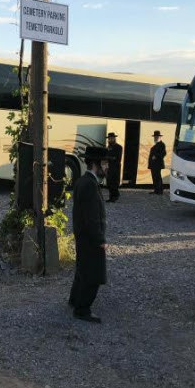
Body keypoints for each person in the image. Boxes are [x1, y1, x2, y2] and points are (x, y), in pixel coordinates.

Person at [68, 145, 111, 323]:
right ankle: (82, 309)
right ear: (95, 164)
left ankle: (74, 300)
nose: (107, 167)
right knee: (93, 274)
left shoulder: (83, 181)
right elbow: (91, 217)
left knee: (82, 269)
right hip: (89, 237)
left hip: (83, 235)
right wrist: (100, 239)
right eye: (105, 163)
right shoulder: (89, 185)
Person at [105, 132, 123, 202]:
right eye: (109, 138)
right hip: (110, 166)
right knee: (109, 182)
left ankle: (115, 196)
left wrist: (109, 157)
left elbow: (117, 158)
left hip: (115, 167)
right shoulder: (108, 147)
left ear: (114, 138)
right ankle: (112, 196)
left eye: (111, 138)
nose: (110, 140)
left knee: (114, 182)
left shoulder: (119, 147)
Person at [148, 130, 166, 195]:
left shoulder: (162, 144)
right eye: (155, 137)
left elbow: (163, 153)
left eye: (157, 137)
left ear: (160, 137)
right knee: (155, 178)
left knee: (158, 178)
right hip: (153, 165)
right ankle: (156, 190)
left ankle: (159, 191)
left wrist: (156, 156)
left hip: (157, 164)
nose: (155, 138)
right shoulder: (156, 145)